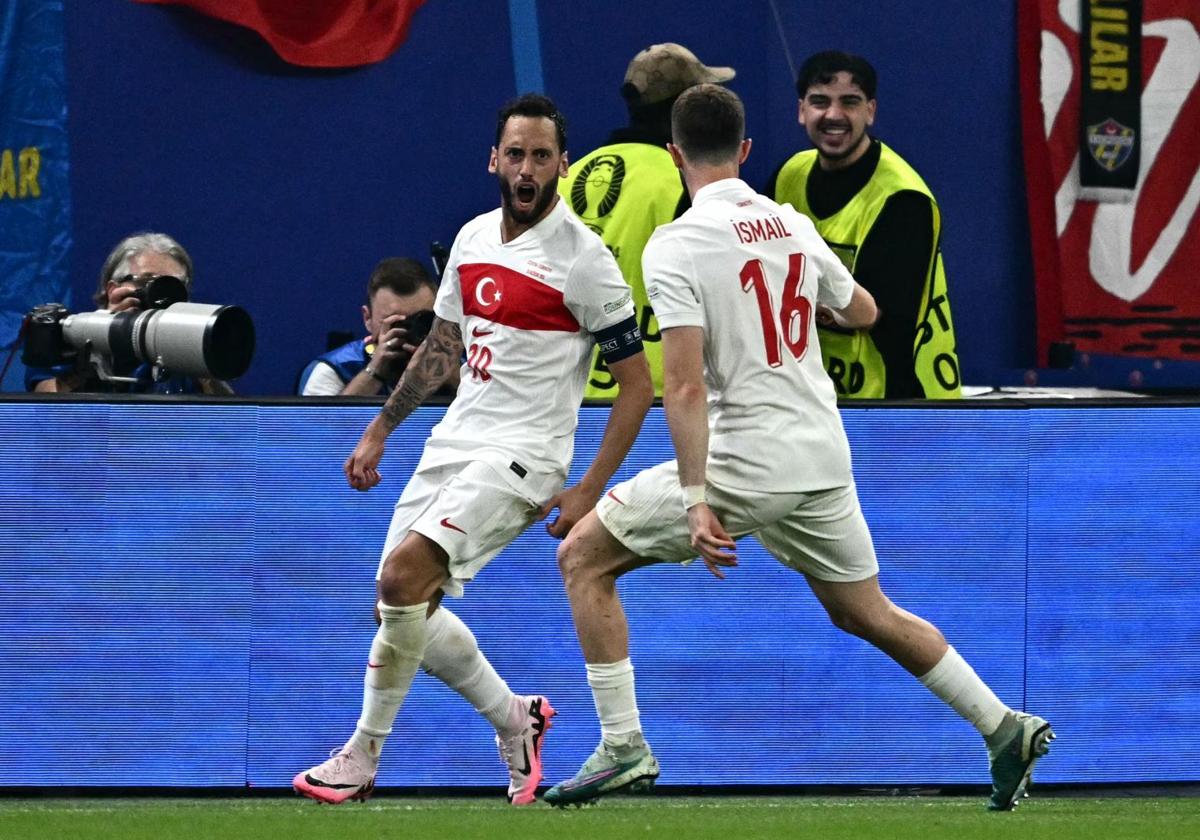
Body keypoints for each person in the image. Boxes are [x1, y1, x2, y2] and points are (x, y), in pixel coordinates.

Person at [544, 85, 1052, 811]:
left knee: (582, 558)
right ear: (746, 151)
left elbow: (683, 389)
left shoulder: (678, 242)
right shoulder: (791, 225)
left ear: (674, 155)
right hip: (820, 452)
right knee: (865, 611)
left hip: (747, 459)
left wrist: (694, 502)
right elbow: (864, 311)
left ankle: (623, 746)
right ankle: (1004, 727)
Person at [292, 93, 653, 806]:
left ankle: (361, 757)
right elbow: (442, 348)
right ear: (494, 159)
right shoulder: (472, 238)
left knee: (402, 580)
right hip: (455, 437)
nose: (527, 168)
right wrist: (380, 429)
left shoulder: (586, 263)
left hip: (525, 454)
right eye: (515, 153)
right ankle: (514, 719)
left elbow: (637, 387)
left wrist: (586, 488)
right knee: (398, 608)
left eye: (542, 156)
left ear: (563, 166)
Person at [769, 51, 961, 399]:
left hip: (899, 400)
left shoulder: (903, 198)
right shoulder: (789, 175)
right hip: (824, 394)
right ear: (801, 110)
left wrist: (795, 301)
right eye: (819, 101)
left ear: (870, 111)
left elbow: (869, 313)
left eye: (850, 102)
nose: (833, 115)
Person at [559, 43, 734, 400]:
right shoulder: (689, 183)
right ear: (686, 108)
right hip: (653, 398)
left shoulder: (568, 177)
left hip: (568, 394)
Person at [27, 231, 233, 395]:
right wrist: (100, 346)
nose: (159, 296)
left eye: (172, 286)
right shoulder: (74, 337)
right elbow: (43, 406)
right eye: (146, 283)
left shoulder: (188, 349)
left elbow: (232, 417)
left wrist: (200, 359)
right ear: (113, 289)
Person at [297, 257, 455, 397]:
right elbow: (321, 428)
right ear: (367, 318)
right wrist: (375, 372)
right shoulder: (333, 371)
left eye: (423, 320)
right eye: (396, 322)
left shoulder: (468, 364)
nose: (410, 330)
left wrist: (454, 378)